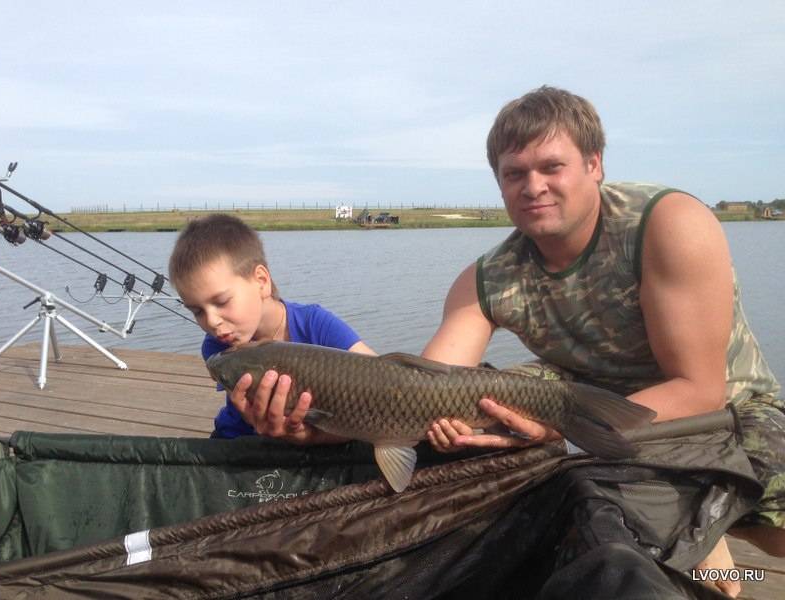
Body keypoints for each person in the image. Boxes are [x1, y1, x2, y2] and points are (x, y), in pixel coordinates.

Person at [420, 86, 784, 594]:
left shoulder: (667, 223)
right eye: (514, 174)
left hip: (727, 408)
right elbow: (424, 390)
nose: (533, 186)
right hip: (587, 403)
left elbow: (700, 389)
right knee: (487, 399)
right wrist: (330, 421)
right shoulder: (486, 279)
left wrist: (563, 439)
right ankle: (691, 539)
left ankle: (709, 540)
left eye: (552, 167)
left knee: (775, 537)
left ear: (595, 164)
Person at [168, 214, 375, 442]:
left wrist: (310, 437)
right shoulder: (217, 349)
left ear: (261, 281)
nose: (211, 321)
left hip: (317, 439)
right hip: (237, 439)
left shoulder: (315, 323)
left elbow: (381, 373)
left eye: (221, 302)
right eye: (197, 311)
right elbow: (253, 414)